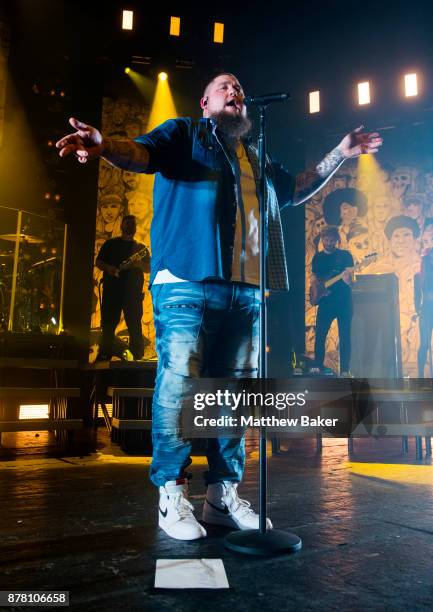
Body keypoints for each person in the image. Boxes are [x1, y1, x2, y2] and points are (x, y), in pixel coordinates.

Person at [56, 72, 382, 541]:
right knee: (182, 386)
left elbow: (295, 189)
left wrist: (341, 153)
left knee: (232, 395)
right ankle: (171, 492)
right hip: (187, 282)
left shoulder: (255, 156)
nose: (237, 91)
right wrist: (103, 143)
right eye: (225, 86)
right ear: (205, 101)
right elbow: (141, 153)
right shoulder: (183, 133)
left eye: (240, 88)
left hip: (245, 291)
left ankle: (221, 496)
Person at [95, 215, 147, 361]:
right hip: (112, 292)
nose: (130, 225)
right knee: (108, 325)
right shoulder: (110, 244)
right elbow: (98, 262)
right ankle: (104, 355)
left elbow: (149, 267)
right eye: (127, 222)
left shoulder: (141, 248)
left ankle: (137, 357)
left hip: (133, 294)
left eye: (132, 223)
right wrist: (109, 268)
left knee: (134, 325)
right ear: (122, 225)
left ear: (135, 228)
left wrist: (138, 265)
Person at [311, 225, 354, 376]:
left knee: (345, 336)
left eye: (332, 240)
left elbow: (351, 282)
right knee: (320, 334)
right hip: (325, 302)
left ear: (337, 239)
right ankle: (318, 366)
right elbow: (314, 278)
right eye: (326, 239)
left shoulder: (345, 256)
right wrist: (317, 289)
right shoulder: (318, 257)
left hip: (344, 302)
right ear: (322, 239)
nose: (329, 242)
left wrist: (348, 278)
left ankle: (345, 370)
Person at [415, 249, 433, 377]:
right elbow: (416, 296)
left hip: (426, 308)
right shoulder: (419, 276)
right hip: (426, 309)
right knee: (425, 343)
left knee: (425, 343)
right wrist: (418, 310)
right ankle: (420, 374)